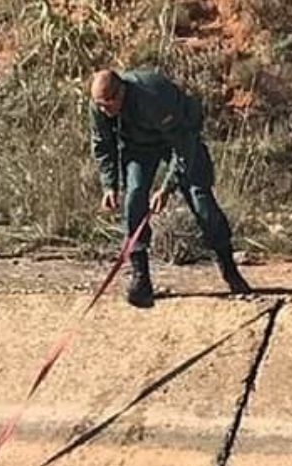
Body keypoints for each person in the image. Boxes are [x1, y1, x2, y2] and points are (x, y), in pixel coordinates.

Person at [89, 67, 251, 307]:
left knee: (200, 199)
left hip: (179, 139)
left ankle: (230, 269)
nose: (104, 111)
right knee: (134, 197)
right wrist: (109, 185)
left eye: (107, 104)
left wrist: (166, 188)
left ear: (120, 92)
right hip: (139, 146)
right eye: (99, 105)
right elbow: (102, 144)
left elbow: (183, 147)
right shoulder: (99, 106)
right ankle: (141, 280)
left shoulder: (153, 97)